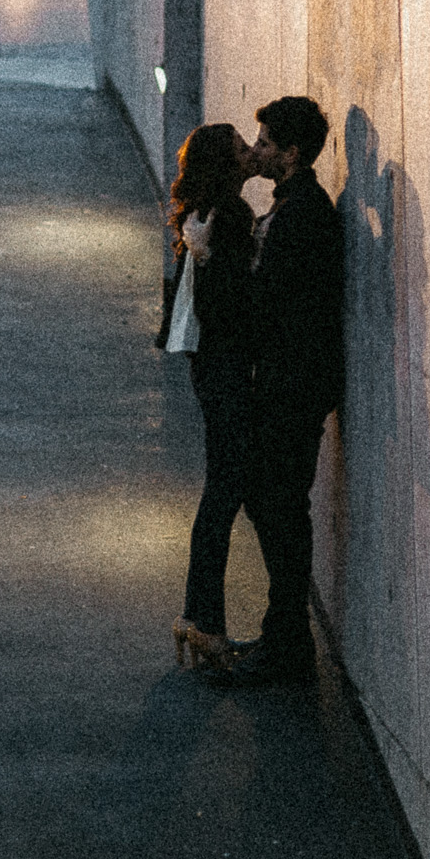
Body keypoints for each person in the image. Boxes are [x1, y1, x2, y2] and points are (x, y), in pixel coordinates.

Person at [210, 95, 344, 688]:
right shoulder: (296, 206)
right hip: (292, 383)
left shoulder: (302, 214)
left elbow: (271, 303)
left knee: (280, 506)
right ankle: (283, 635)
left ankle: (287, 642)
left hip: (293, 387)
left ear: (291, 154)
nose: (257, 151)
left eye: (266, 144)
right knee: (276, 504)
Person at [156, 123, 260, 671]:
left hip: (206, 366)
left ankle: (197, 619)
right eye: (243, 149)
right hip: (226, 366)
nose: (251, 154)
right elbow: (229, 302)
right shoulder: (233, 215)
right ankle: (206, 625)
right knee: (225, 492)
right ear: (226, 163)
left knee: (219, 492)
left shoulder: (202, 211)